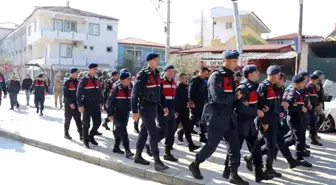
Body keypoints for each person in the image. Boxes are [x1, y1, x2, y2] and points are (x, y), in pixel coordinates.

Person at [189, 50, 248, 184]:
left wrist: (239, 100)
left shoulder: (230, 76)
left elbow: (231, 96)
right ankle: (195, 164)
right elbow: (217, 98)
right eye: (233, 61)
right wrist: (235, 96)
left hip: (229, 117)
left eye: (236, 61)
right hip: (217, 117)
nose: (236, 64)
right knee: (211, 146)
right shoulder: (216, 76)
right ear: (225, 61)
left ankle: (233, 174)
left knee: (234, 146)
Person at [223, 64, 273, 183]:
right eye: (256, 72)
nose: (258, 74)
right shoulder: (243, 87)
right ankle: (228, 172)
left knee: (255, 149)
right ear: (250, 74)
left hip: (251, 123)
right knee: (235, 149)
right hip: (240, 124)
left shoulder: (255, 86)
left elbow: (255, 103)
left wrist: (262, 108)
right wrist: (256, 111)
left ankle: (259, 173)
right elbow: (240, 108)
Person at [131, 53, 169, 171]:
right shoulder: (142, 74)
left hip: (153, 106)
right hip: (145, 107)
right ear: (149, 61)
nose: (158, 61)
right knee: (152, 134)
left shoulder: (157, 74)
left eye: (158, 59)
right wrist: (134, 111)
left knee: (143, 131)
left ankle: (137, 156)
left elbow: (160, 92)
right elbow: (134, 93)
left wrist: (164, 106)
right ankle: (157, 161)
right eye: (156, 60)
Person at [145, 64, 179, 162]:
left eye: (173, 71)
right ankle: (150, 145)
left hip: (172, 111)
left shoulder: (173, 82)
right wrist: (163, 108)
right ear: (164, 72)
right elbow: (159, 97)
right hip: (162, 110)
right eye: (170, 71)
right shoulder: (160, 82)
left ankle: (167, 153)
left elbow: (174, 98)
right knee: (163, 131)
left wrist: (175, 110)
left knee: (171, 132)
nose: (172, 73)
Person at [257, 65, 283, 177]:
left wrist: (281, 112)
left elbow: (277, 103)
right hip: (267, 122)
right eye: (278, 75)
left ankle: (269, 167)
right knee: (270, 145)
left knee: (272, 145)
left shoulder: (275, 87)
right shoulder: (263, 87)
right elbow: (261, 107)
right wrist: (264, 122)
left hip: (275, 120)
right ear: (272, 75)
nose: (280, 76)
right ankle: (267, 167)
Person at [285, 75, 313, 167]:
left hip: (298, 118)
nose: (304, 84)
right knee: (299, 139)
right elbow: (289, 106)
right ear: (297, 83)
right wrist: (301, 108)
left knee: (295, 138)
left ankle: (277, 148)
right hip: (294, 118)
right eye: (303, 82)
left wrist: (300, 107)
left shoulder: (298, 91)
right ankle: (299, 158)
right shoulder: (293, 92)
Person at [106, 69, 134, 158]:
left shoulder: (130, 88)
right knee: (124, 132)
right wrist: (110, 114)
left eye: (130, 79)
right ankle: (128, 150)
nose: (129, 80)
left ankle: (116, 147)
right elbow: (109, 102)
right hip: (117, 114)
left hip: (125, 113)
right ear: (122, 80)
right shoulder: (116, 89)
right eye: (128, 79)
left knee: (118, 131)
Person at [77, 63, 102, 149]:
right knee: (86, 124)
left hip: (96, 105)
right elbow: (78, 93)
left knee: (98, 122)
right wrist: (80, 105)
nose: (96, 71)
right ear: (89, 70)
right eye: (94, 69)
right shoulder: (84, 79)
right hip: (87, 105)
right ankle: (85, 140)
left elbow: (99, 92)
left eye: (96, 69)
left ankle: (91, 135)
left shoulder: (96, 79)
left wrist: (100, 103)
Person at [176, 73, 200, 151]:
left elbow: (187, 98)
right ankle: (168, 146)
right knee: (172, 130)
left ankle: (191, 145)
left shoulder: (186, 88)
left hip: (185, 113)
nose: (185, 79)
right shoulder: (177, 88)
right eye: (183, 78)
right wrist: (185, 104)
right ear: (180, 79)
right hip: (178, 112)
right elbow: (177, 101)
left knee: (187, 129)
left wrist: (190, 103)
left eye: (186, 78)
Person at [188, 67, 210, 143]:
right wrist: (191, 102)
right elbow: (190, 92)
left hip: (202, 103)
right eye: (205, 74)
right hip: (195, 104)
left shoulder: (204, 81)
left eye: (207, 74)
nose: (206, 75)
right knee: (194, 119)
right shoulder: (194, 80)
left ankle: (202, 136)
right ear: (201, 72)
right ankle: (182, 131)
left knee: (201, 120)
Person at [63, 68, 83, 141]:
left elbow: (80, 94)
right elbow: (65, 94)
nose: (77, 74)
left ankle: (81, 134)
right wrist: (70, 103)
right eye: (75, 73)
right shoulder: (67, 82)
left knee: (78, 120)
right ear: (71, 73)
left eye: (77, 73)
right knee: (68, 119)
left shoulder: (79, 82)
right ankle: (66, 133)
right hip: (69, 105)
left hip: (77, 104)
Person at [306, 74, 322, 146]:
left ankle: (313, 139)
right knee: (311, 124)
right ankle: (312, 139)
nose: (317, 81)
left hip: (313, 109)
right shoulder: (309, 87)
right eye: (316, 80)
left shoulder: (313, 86)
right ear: (312, 80)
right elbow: (307, 98)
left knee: (313, 124)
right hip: (309, 110)